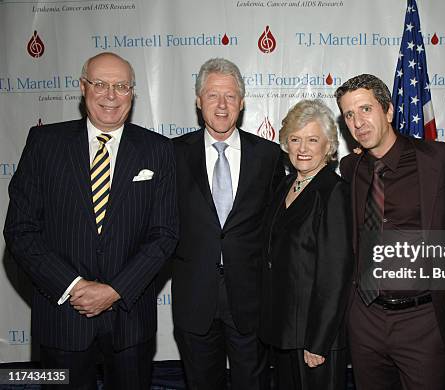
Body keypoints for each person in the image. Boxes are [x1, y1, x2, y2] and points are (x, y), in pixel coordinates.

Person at [3, 52, 178, 389]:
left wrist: (114, 290)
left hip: (130, 320)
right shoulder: (44, 144)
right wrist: (74, 287)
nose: (110, 95)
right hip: (63, 317)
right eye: (100, 84)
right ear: (83, 88)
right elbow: (21, 229)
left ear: (132, 93)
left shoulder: (157, 149)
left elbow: (165, 234)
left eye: (121, 86)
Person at [335, 74, 445, 390]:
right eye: (349, 114)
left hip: (422, 321)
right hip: (365, 318)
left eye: (365, 109)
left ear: (388, 111)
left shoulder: (440, 160)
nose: (358, 122)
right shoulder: (351, 168)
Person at [172, 58, 285, 390]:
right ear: (198, 100)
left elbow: (276, 230)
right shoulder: (172, 154)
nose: (221, 105)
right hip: (194, 299)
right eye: (212, 95)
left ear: (243, 101)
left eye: (230, 96)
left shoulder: (269, 155)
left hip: (252, 300)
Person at [259, 99, 353, 389]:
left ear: (329, 146)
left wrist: (318, 341)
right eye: (295, 139)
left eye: (313, 140)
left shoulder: (333, 192)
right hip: (284, 332)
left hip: (314, 339)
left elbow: (335, 275)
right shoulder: (285, 187)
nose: (302, 148)